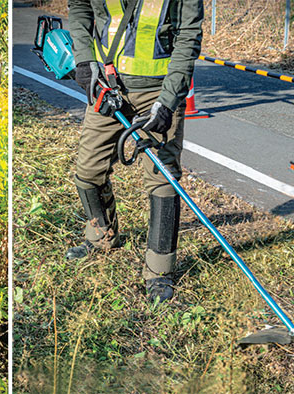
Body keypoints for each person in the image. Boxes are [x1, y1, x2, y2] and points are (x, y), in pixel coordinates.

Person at [66, 0, 204, 303]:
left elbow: (189, 35)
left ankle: (159, 271)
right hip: (107, 86)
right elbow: (78, 6)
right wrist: (84, 59)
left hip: (159, 92)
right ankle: (101, 237)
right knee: (88, 170)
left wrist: (168, 101)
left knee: (163, 179)